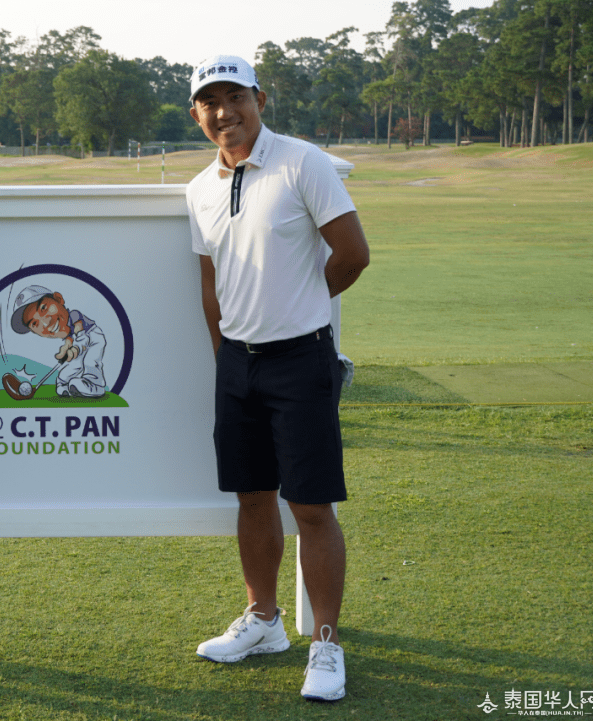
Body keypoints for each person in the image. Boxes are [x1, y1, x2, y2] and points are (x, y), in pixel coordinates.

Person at [185, 55, 370, 702]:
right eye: (210, 101)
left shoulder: (302, 162)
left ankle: (326, 641)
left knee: (312, 506)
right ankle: (264, 621)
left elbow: (353, 253)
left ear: (260, 99)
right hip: (238, 365)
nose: (224, 112)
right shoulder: (200, 187)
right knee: (252, 496)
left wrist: (301, 304)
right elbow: (210, 284)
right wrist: (225, 357)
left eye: (235, 96)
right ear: (196, 113)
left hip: (301, 358)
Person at [10, 285, 107, 398]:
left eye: (43, 308)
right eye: (35, 323)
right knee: (70, 367)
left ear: (58, 299)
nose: (46, 323)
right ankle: (63, 385)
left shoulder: (75, 315)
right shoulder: (66, 332)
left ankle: (95, 385)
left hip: (93, 338)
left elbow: (83, 338)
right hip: (77, 343)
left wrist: (76, 348)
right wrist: (65, 349)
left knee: (90, 362)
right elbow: (70, 339)